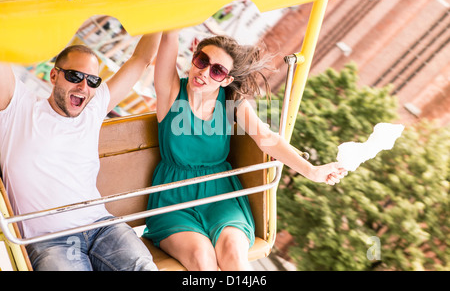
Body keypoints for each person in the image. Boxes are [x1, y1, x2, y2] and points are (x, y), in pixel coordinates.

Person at [142, 30, 347, 271]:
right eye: (202, 61)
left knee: (233, 254)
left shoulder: (232, 105)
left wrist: (312, 171)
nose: (204, 72)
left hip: (220, 193)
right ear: (194, 56)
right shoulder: (172, 93)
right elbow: (169, 35)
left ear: (227, 80)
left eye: (217, 70)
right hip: (174, 197)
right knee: (201, 258)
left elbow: (267, 139)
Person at [0, 32, 162, 271]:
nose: (83, 87)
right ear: (54, 75)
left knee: (143, 268)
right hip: (50, 240)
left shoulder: (93, 109)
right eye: (75, 76)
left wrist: (164, 14)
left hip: (102, 228)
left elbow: (141, 58)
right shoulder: (18, 107)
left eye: (92, 81)